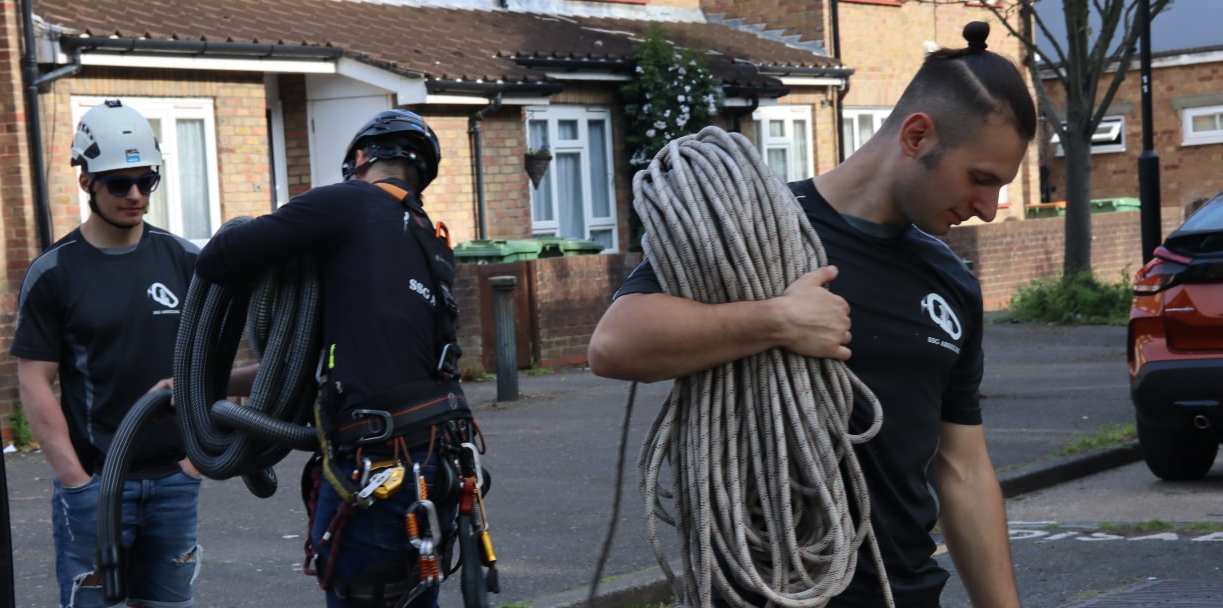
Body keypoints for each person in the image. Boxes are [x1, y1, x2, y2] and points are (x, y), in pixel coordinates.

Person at [588, 22, 1034, 608]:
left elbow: (964, 470)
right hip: (763, 591)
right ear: (918, 136)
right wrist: (777, 320)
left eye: (999, 189)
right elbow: (615, 345)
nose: (988, 209)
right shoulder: (755, 232)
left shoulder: (951, 281)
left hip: (902, 594)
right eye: (980, 180)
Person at [195, 108, 478, 608]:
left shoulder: (347, 204)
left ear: (361, 159)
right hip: (436, 459)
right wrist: (206, 389)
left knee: (364, 596)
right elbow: (304, 363)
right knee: (410, 593)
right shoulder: (430, 242)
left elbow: (219, 258)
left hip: (379, 464)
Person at [11, 99, 204, 608]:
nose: (136, 195)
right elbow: (34, 380)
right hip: (96, 485)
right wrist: (75, 481)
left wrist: (194, 465)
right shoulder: (55, 272)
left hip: (173, 483)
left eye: (147, 181)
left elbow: (215, 366)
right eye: (120, 183)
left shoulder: (185, 260)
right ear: (86, 183)